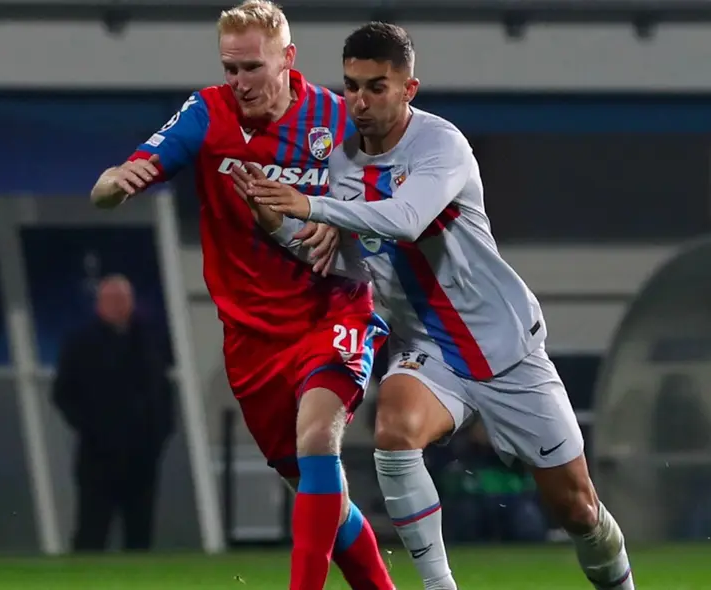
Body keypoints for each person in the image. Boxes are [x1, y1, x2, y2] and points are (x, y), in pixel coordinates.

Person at [236, 22, 635, 590]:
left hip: (506, 348)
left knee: (577, 510)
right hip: (429, 350)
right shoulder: (341, 163)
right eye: (351, 86)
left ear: (409, 89)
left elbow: (405, 220)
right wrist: (279, 225)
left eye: (377, 87)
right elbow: (352, 262)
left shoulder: (440, 145)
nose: (360, 101)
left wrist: (308, 203)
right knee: (394, 433)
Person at [89, 3, 396, 589]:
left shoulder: (335, 120)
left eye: (251, 67)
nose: (239, 82)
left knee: (317, 436)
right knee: (312, 484)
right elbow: (124, 176)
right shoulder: (207, 113)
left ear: (287, 58)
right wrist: (112, 184)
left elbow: (387, 203)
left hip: (331, 309)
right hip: (251, 335)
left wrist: (343, 219)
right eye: (230, 68)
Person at [52, 275, 174, 552]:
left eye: (124, 300)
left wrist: (160, 433)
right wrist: (91, 427)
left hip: (143, 453)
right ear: (100, 305)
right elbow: (63, 394)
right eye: (113, 300)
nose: (119, 306)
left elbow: (163, 391)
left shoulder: (150, 341)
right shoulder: (81, 343)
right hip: (98, 454)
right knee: (92, 528)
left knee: (140, 530)